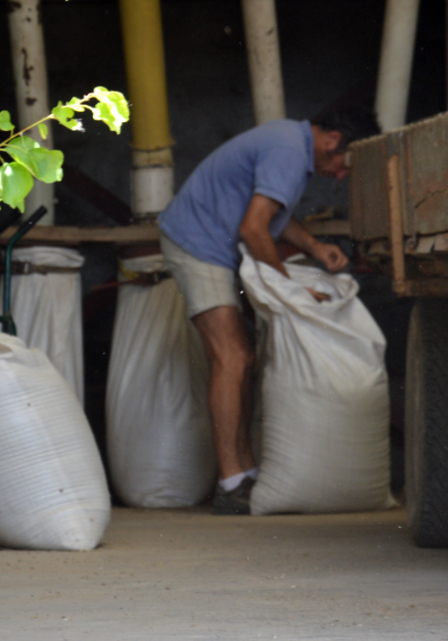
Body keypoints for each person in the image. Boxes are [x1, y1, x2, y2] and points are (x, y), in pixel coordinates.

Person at [157, 105, 381, 515]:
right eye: (344, 163)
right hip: (198, 244)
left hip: (209, 245)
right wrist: (290, 289)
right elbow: (253, 229)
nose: (342, 174)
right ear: (332, 141)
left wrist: (313, 247)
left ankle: (243, 473)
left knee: (241, 358)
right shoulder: (288, 150)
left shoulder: (289, 144)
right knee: (232, 356)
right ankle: (231, 482)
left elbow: (274, 216)